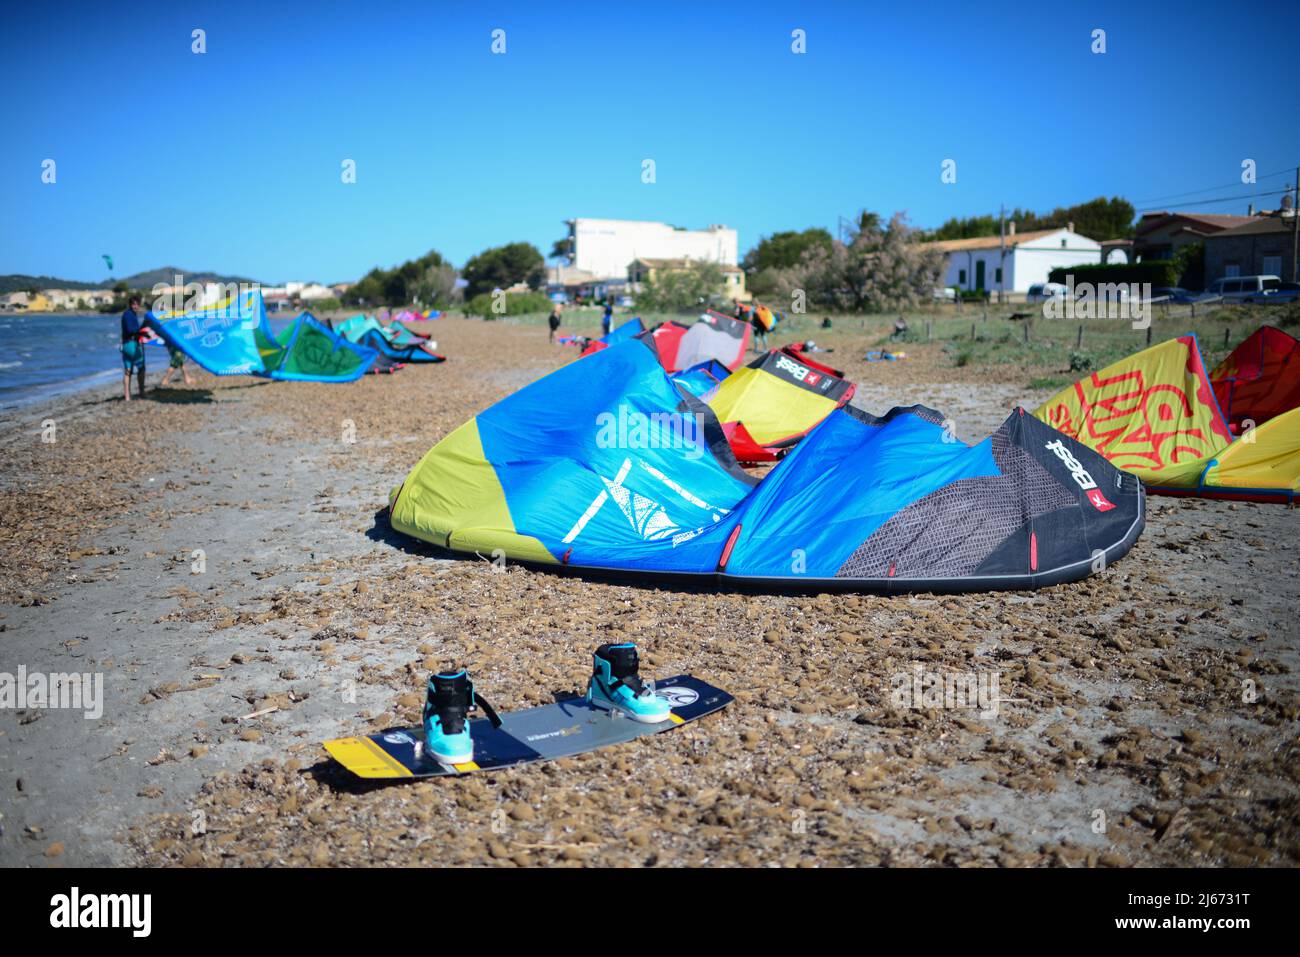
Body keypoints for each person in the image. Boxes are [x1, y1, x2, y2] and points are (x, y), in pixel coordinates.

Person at [119, 296, 154, 401]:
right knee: (141, 368)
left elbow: (134, 330)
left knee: (128, 370)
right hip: (132, 346)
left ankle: (127, 396)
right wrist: (143, 332)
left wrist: (143, 331)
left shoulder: (128, 314)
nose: (136, 306)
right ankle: (142, 393)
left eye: (137, 304)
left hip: (124, 345)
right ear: (130, 305)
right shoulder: (129, 315)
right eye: (134, 304)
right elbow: (132, 330)